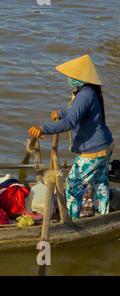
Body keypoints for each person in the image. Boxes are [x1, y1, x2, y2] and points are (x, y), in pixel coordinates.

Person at [28, 55, 114, 220]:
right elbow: (76, 111)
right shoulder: (88, 92)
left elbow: (70, 122)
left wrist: (43, 128)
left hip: (93, 151)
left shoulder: (84, 95)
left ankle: (71, 221)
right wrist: (59, 113)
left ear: (81, 78)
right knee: (100, 183)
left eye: (72, 76)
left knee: (73, 186)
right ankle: (103, 216)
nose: (69, 79)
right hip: (105, 146)